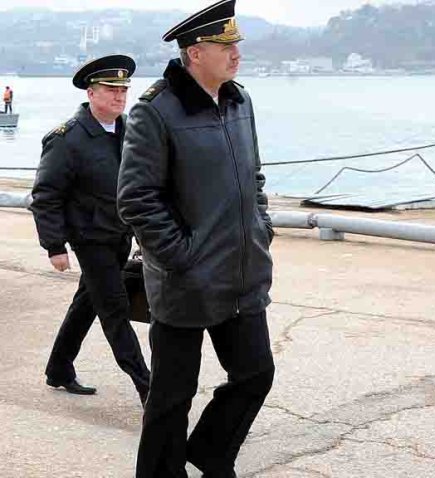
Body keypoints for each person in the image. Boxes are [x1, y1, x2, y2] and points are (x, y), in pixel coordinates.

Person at [117, 1, 275, 475]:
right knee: (171, 395)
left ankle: (209, 452)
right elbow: (137, 199)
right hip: (185, 280)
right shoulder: (156, 111)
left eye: (236, 45)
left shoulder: (239, 100)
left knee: (255, 374)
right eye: (225, 46)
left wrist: (261, 228)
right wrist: (182, 257)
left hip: (243, 271)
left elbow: (255, 178)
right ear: (195, 52)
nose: (235, 55)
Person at [30, 55, 151, 404]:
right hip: (89, 238)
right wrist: (54, 246)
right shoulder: (67, 139)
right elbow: (46, 195)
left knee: (87, 303)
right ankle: (150, 388)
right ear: (91, 92)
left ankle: (59, 369)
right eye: (111, 89)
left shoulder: (128, 131)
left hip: (119, 235)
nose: (119, 96)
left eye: (123, 90)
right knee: (114, 310)